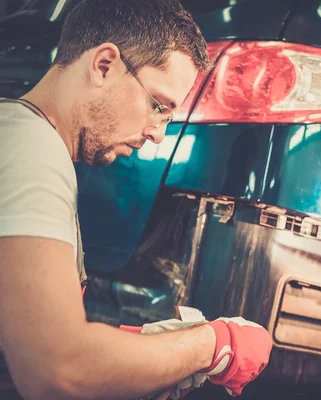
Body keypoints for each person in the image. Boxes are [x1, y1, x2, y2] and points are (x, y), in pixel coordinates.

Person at [0, 1, 272, 399]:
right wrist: (212, 345)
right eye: (158, 106)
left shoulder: (24, 135)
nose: (157, 134)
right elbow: (59, 370)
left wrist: (143, 356)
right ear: (104, 65)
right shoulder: (30, 147)